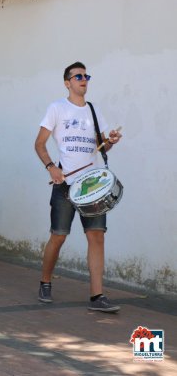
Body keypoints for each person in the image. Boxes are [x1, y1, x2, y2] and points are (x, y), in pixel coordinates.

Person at [34, 61, 123, 313]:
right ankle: (45, 281)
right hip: (65, 185)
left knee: (96, 237)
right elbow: (39, 144)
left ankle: (97, 296)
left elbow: (102, 147)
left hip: (92, 185)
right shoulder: (57, 108)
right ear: (67, 82)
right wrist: (52, 167)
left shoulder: (94, 111)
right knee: (58, 236)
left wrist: (111, 141)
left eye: (86, 76)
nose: (84, 80)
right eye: (78, 76)